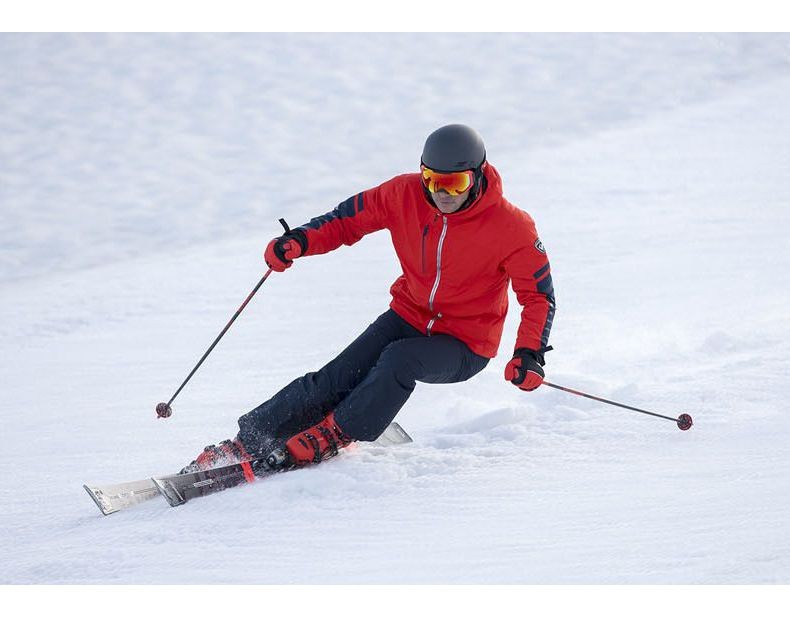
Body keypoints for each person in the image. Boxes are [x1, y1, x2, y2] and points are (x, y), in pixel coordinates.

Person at [181, 124, 556, 473]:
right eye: (432, 180)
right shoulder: (404, 194)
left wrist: (528, 354)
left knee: (399, 360)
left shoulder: (512, 227)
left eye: (455, 183)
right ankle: (248, 441)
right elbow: (347, 220)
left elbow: (538, 297)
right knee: (332, 378)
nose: (441, 193)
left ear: (477, 176)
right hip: (408, 314)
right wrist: (300, 241)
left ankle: (336, 433)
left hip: (465, 343)